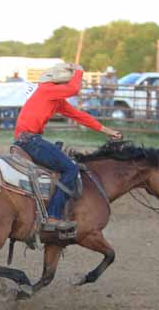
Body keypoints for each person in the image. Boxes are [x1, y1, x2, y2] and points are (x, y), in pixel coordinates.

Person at [13, 63, 122, 232]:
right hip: (30, 140)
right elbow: (74, 89)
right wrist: (79, 71)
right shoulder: (47, 89)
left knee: (60, 165)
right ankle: (53, 216)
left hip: (27, 139)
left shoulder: (54, 98)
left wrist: (107, 130)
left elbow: (79, 116)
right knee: (70, 168)